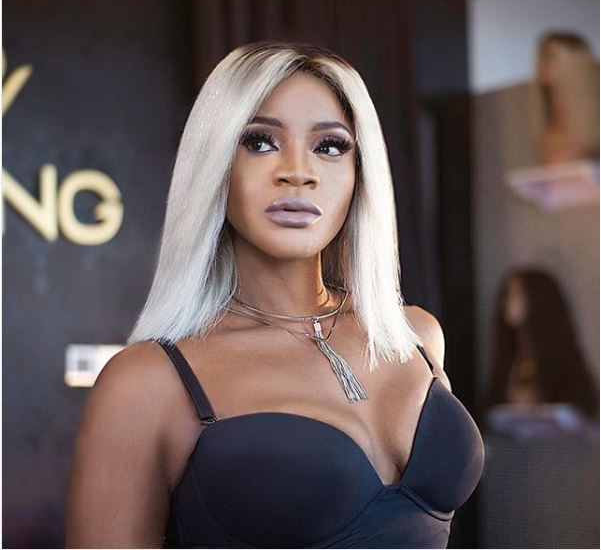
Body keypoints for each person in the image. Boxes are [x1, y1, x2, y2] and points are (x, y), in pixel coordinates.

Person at [65, 40, 485, 548]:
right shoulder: (148, 383)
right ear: (216, 164)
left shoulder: (415, 335)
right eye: (261, 141)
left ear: (361, 173)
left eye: (330, 146)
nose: (297, 172)